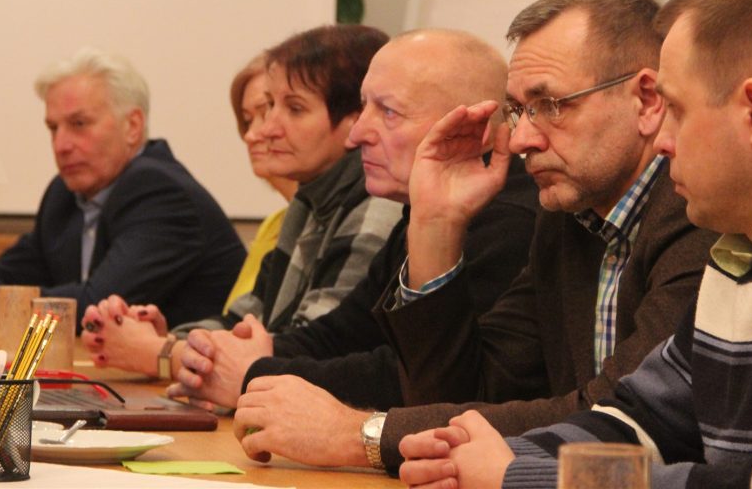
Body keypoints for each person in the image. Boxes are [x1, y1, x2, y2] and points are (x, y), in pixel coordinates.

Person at [398, 0, 752, 489]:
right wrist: (472, 458)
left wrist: (524, 475)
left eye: (677, 110)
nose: (662, 141)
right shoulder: (746, 247)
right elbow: (641, 422)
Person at [232, 0, 716, 474]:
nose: (522, 138)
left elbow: (614, 421)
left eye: (550, 104)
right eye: (518, 110)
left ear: (646, 100)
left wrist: (361, 435)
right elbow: (471, 392)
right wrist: (435, 225)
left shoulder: (698, 217)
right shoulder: (568, 217)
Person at [171, 29, 537, 420]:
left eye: (389, 112)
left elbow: (423, 383)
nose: (357, 133)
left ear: (473, 128)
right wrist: (231, 359)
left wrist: (253, 374)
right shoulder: (415, 212)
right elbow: (346, 333)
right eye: (363, 107)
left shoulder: (511, 223)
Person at [82, 24, 403, 379]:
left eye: (295, 109)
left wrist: (161, 352)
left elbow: (311, 349)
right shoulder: (307, 203)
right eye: (269, 108)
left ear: (354, 120)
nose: (265, 129)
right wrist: (170, 339)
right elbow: (245, 319)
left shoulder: (376, 206)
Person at [0, 47, 246, 329]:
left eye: (79, 124)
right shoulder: (65, 193)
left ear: (132, 126)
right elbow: (28, 262)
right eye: (53, 128)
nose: (61, 145)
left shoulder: (162, 193)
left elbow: (98, 307)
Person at [222, 54, 298, 309]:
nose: (251, 135)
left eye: (265, 113)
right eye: (247, 120)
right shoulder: (272, 225)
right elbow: (236, 319)